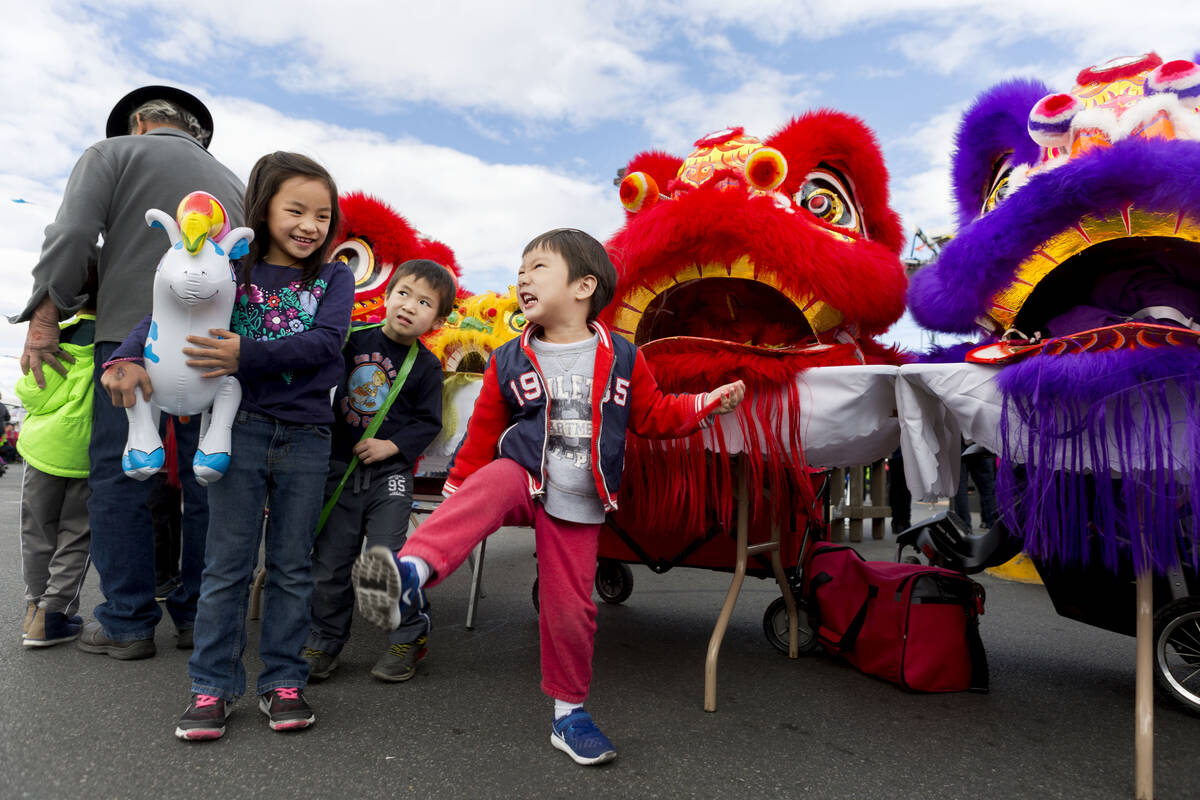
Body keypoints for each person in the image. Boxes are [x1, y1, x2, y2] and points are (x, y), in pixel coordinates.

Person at [351, 228, 745, 766]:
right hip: (524, 472)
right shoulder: (509, 357)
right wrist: (455, 494)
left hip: (580, 501)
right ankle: (410, 572)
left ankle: (569, 714)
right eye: (521, 269)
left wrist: (705, 402)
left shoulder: (623, 355)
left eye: (538, 267)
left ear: (584, 286)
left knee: (570, 612)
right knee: (491, 481)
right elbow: (483, 431)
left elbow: (655, 416)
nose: (522, 278)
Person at [103, 152, 352, 740]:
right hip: (234, 428)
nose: (310, 225)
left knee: (293, 566)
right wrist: (125, 356)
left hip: (309, 435)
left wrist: (248, 354)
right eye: (296, 210)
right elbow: (167, 309)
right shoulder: (229, 270)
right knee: (227, 565)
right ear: (262, 209)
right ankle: (211, 687)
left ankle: (284, 682)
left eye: (323, 214)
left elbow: (327, 344)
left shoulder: (332, 277)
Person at [12, 85, 244, 660]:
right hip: (216, 344)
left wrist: (45, 317)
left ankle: (127, 622)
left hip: (131, 340)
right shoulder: (237, 183)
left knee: (120, 477)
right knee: (207, 481)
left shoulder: (111, 153)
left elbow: (70, 236)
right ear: (196, 133)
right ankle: (198, 616)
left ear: (138, 122)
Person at [304, 259, 455, 684]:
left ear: (437, 320)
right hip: (338, 470)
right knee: (331, 564)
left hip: (390, 477)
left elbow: (428, 422)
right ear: (387, 296)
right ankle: (325, 639)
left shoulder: (425, 366)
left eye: (424, 302)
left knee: (385, 560)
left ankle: (407, 636)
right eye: (404, 293)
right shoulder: (351, 339)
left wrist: (392, 445)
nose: (409, 306)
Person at [15, 306, 96, 647]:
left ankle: (35, 608)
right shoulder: (120, 335)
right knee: (76, 534)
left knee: (37, 529)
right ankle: (54, 614)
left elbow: (31, 394)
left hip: (44, 448)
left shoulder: (58, 336)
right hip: (87, 450)